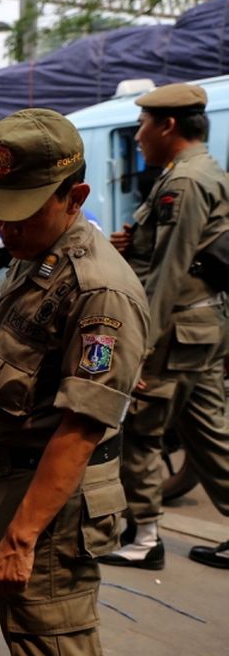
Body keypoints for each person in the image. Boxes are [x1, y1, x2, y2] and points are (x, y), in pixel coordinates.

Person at [0, 109, 148, 656]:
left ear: (76, 197)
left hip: (55, 502)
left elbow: (81, 428)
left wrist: (22, 536)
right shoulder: (36, 255)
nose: (4, 223)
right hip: (17, 481)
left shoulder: (98, 290)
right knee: (35, 641)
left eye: (24, 208)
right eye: (0, 207)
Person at [100, 83, 229, 571]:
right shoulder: (203, 171)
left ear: (167, 125)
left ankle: (144, 537)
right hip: (203, 326)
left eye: (143, 124)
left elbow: (171, 269)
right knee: (205, 431)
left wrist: (140, 346)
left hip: (176, 330)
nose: (138, 135)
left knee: (140, 429)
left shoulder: (184, 182)